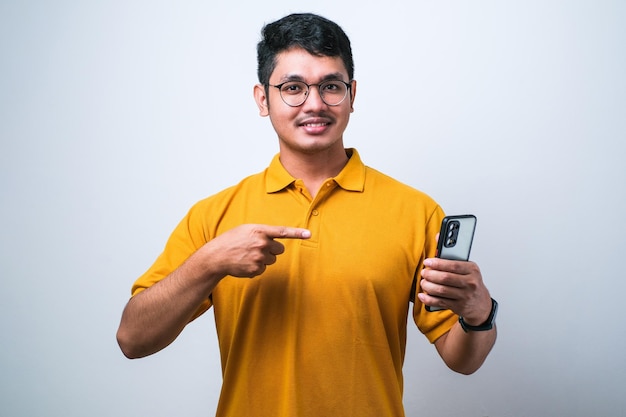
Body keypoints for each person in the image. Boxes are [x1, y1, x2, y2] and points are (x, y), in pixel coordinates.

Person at [116, 12, 497, 417]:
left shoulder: (416, 211)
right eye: (293, 87)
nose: (314, 104)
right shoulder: (214, 215)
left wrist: (479, 314)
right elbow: (132, 339)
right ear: (263, 99)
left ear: (352, 94)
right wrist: (211, 261)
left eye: (331, 86)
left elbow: (462, 360)